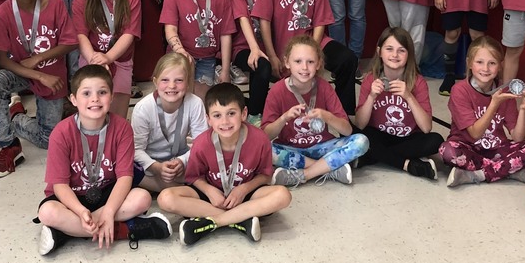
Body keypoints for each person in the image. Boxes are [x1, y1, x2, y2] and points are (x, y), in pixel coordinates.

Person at [36, 65, 172, 255]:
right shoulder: (61, 132)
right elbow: (59, 185)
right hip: (72, 198)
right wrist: (80, 211)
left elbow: (125, 177)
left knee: (142, 198)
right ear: (73, 99)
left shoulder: (122, 127)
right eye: (86, 93)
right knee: (47, 212)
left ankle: (65, 234)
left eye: (102, 92)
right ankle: (125, 230)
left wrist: (108, 211)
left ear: (111, 96)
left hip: (107, 193)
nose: (95, 99)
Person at [158, 82, 291, 245]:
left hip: (246, 195)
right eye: (217, 115)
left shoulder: (260, 139)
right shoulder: (201, 144)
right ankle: (241, 220)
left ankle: (214, 222)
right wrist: (209, 191)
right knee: (165, 198)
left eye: (231, 113)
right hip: (213, 196)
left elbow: (265, 175)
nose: (225, 121)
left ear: (244, 114)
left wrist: (244, 189)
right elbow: (193, 178)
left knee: (283, 195)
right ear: (208, 119)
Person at [0, 0, 77, 177]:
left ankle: (16, 119)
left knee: (48, 140)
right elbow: (3, 60)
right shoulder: (3, 13)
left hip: (52, 75)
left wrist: (38, 59)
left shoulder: (55, 4)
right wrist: (38, 74)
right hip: (20, 72)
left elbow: (70, 42)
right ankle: (8, 144)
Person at [252, 0, 358, 115]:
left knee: (347, 59)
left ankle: (344, 114)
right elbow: (264, 21)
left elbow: (320, 21)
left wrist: (314, 52)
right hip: (284, 44)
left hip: (313, 41)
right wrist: (272, 54)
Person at [439, 36, 525, 187]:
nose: (485, 69)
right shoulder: (459, 90)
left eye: (492, 63)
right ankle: (510, 170)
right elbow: (475, 134)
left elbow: (518, 137)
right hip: (468, 147)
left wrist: (523, 110)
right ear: (469, 63)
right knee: (447, 150)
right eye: (479, 62)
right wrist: (494, 104)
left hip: (497, 149)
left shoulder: (505, 90)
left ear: (500, 66)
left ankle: (478, 175)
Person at [263, 36, 368, 187]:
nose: (304, 67)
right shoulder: (277, 91)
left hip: (323, 147)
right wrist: (284, 118)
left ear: (318, 63)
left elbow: (347, 130)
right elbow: (266, 135)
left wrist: (327, 116)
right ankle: (328, 169)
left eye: (310, 62)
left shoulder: (324, 87)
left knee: (361, 142)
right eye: (298, 61)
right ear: (287, 62)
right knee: (264, 149)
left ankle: (304, 174)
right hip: (292, 148)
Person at [355, 27, 442, 179]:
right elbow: (360, 124)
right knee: (355, 133)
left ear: (409, 55)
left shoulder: (418, 82)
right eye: (389, 49)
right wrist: (371, 96)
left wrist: (409, 97)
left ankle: (373, 156)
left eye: (401, 50)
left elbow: (426, 128)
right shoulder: (370, 79)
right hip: (379, 135)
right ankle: (408, 164)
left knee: (436, 141)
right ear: (379, 51)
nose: (395, 55)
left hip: (408, 137)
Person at [72, 0, 142, 116]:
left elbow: (129, 34)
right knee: (94, 110)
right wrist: (97, 62)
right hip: (92, 59)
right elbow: (81, 35)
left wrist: (108, 58)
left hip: (120, 60)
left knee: (118, 115)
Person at [160, 0, 235, 98]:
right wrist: (180, 50)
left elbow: (226, 35)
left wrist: (226, 70)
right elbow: (170, 29)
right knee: (178, 102)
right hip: (180, 57)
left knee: (199, 106)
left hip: (207, 59)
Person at [131, 53, 209, 192]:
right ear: (155, 82)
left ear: (188, 82)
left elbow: (201, 144)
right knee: (130, 169)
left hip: (180, 163)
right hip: (150, 163)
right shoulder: (143, 108)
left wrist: (182, 161)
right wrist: (156, 167)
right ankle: (185, 189)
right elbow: (136, 149)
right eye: (165, 80)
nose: (172, 86)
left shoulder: (195, 103)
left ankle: (174, 187)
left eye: (179, 80)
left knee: (209, 158)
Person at [227, 0, 273, 123]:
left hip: (267, 43)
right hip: (242, 46)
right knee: (261, 65)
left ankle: (258, 107)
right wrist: (254, 48)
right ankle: (255, 115)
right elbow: (243, 18)